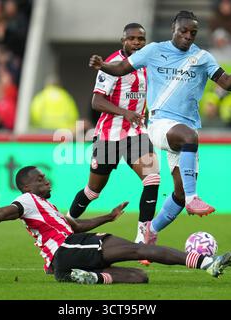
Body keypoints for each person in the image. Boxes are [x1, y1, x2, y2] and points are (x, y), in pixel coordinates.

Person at [89, 11, 231, 243]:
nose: (188, 36)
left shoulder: (203, 57)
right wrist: (103, 65)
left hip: (185, 129)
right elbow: (121, 69)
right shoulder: (154, 50)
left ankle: (150, 232)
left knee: (179, 191)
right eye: (183, 31)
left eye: (193, 33)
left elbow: (227, 83)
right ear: (173, 29)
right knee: (188, 140)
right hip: (160, 123)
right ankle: (193, 198)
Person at [0, 166, 231, 284]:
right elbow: (1, 214)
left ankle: (88, 277)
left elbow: (75, 226)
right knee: (139, 249)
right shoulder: (26, 200)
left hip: (67, 258)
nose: (47, 181)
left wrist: (108, 217)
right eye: (41, 179)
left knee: (139, 277)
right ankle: (207, 264)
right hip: (64, 251)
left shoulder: (46, 207)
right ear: (27, 185)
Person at [68, 23, 160, 265]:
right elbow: (96, 101)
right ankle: (66, 223)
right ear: (123, 40)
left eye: (141, 38)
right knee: (92, 192)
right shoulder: (111, 65)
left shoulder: (148, 63)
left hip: (137, 133)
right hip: (109, 135)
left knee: (152, 179)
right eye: (132, 39)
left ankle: (142, 237)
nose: (137, 42)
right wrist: (124, 112)